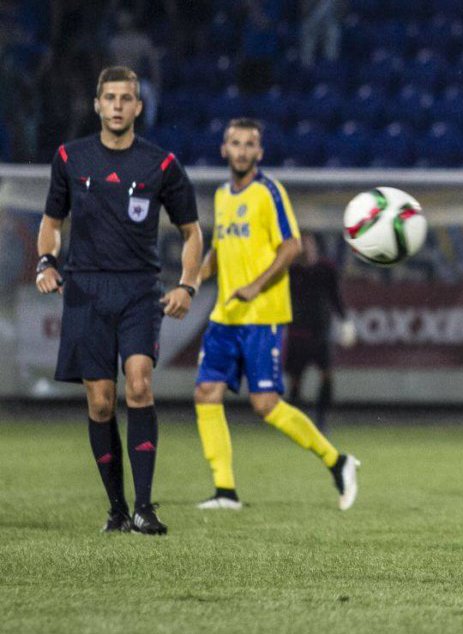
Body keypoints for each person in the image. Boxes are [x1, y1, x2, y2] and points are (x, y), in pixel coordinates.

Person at [36, 66, 202, 535]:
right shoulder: (70, 157)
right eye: (108, 97)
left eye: (125, 98)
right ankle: (117, 509)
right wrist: (46, 262)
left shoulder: (162, 165)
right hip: (86, 289)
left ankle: (146, 508)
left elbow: (192, 232)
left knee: (139, 385)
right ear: (96, 104)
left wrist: (187, 285)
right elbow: (52, 221)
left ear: (137, 107)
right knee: (102, 402)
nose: (116, 106)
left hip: (138, 290)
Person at [193, 118, 359, 511]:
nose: (242, 150)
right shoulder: (221, 196)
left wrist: (257, 285)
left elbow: (292, 246)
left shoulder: (269, 192)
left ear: (259, 153)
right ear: (224, 149)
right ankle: (225, 491)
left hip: (262, 315)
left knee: (265, 404)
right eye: (236, 143)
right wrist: (193, 280)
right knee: (205, 393)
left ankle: (337, 461)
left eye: (250, 144)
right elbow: (219, 249)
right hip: (225, 315)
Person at [285, 232, 356, 432]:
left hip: (320, 333)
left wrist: (345, 321)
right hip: (297, 334)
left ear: (315, 247)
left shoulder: (326, 269)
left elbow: (336, 297)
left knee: (327, 375)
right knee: (295, 379)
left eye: (309, 245)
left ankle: (321, 420)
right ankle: (295, 423)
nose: (306, 250)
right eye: (302, 245)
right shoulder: (291, 271)